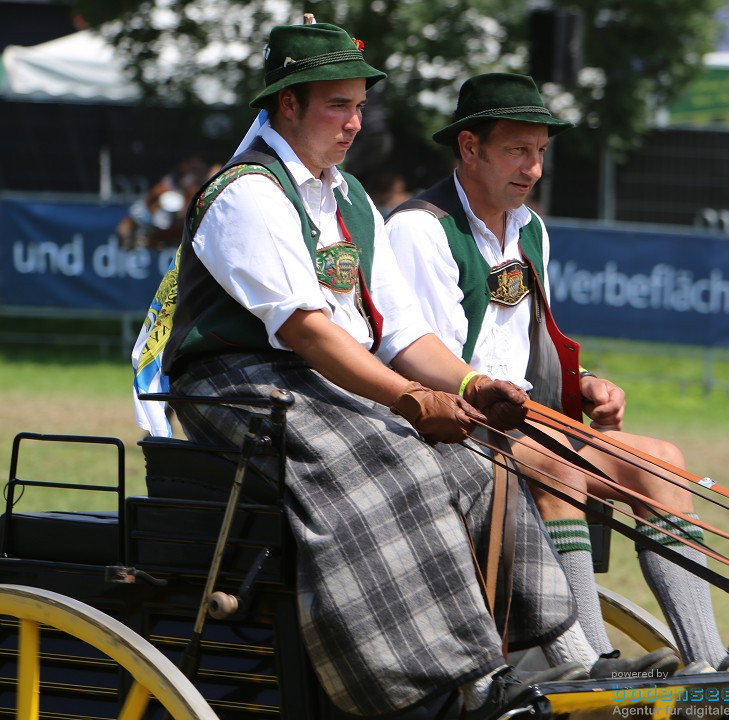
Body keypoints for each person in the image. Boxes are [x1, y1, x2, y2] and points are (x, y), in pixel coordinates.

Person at [132, 24, 675, 720]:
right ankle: (437, 689)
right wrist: (412, 402)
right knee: (402, 459)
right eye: (337, 106)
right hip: (239, 385)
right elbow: (307, 330)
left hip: (326, 381)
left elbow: (398, 333)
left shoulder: (352, 200)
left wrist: (473, 388)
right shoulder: (246, 193)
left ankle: (570, 665)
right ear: (286, 106)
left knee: (480, 463)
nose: (354, 123)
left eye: (359, 106)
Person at [386, 72, 729, 674]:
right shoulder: (420, 230)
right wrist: (498, 400)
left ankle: (710, 664)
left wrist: (583, 381)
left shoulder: (530, 229)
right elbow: (420, 358)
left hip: (524, 426)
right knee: (562, 462)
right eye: (516, 150)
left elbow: (529, 342)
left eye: (539, 152)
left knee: (662, 460)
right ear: (469, 147)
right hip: (446, 432)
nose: (532, 168)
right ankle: (593, 661)